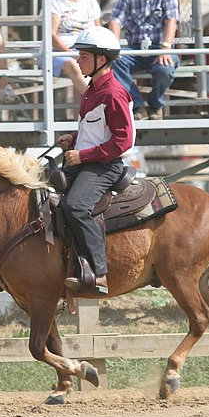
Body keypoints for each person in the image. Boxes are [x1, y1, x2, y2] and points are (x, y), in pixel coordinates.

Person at [58, 27, 135, 296]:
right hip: (86, 160)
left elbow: (123, 142)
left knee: (76, 206)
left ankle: (99, 273)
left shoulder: (113, 93)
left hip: (105, 166)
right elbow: (97, 130)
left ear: (101, 59)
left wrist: (83, 155)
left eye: (84, 56)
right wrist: (74, 137)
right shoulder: (92, 89)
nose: (79, 61)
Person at [108, 0, 178, 121]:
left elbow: (171, 21)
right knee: (114, 61)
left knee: (165, 69)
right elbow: (115, 21)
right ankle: (137, 105)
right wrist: (114, 48)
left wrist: (165, 48)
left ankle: (155, 104)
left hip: (160, 47)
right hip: (135, 49)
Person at [42, 0, 101, 94]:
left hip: (86, 50)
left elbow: (99, 30)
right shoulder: (53, 1)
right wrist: (72, 53)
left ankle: (92, 109)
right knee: (75, 66)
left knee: (103, 65)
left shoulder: (90, 1)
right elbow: (51, 35)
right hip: (58, 52)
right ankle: (95, 100)